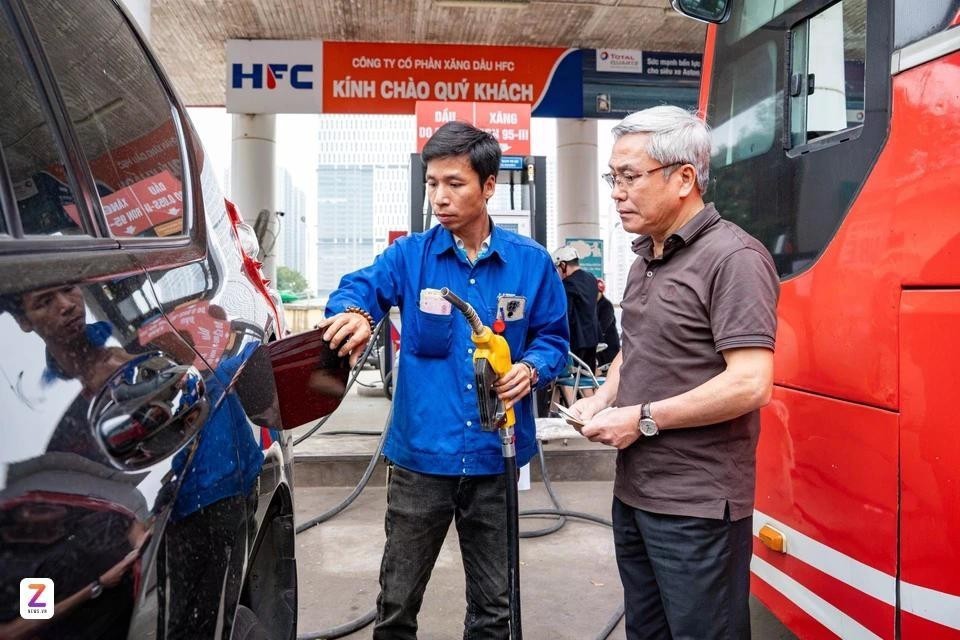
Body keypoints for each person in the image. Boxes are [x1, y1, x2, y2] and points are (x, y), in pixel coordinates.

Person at [319, 121, 569, 639]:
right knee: (396, 604)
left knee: (495, 610)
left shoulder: (531, 264)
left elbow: (553, 339)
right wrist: (355, 313)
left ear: (489, 185)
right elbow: (358, 289)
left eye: (455, 183)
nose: (440, 196)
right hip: (420, 460)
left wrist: (531, 368)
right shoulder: (409, 258)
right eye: (432, 183)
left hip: (494, 458)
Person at [570, 105, 779, 639]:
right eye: (612, 178)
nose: (617, 193)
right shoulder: (646, 258)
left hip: (697, 506)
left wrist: (640, 418)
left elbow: (751, 382)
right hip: (635, 493)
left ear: (684, 178)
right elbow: (636, 348)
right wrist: (602, 397)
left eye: (630, 177)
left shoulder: (734, 258)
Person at [552, 245, 600, 375]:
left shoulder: (567, 284)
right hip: (593, 338)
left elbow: (566, 314)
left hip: (576, 340)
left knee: (571, 378)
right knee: (588, 377)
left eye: (557, 268)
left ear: (563, 265)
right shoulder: (591, 278)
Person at [595, 279, 620, 372]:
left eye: (597, 292)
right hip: (600, 345)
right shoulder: (593, 305)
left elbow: (603, 325)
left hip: (609, 345)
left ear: (601, 292)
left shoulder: (607, 305)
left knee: (610, 370)